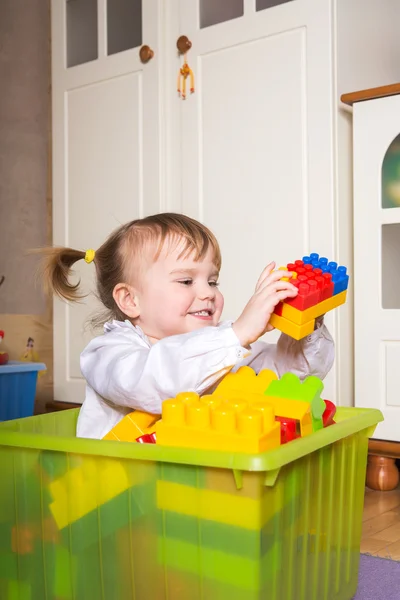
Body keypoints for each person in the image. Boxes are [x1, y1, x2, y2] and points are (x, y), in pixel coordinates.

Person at [41, 213, 334, 439]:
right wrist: (237, 334)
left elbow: (287, 375)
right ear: (130, 300)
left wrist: (306, 324)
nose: (207, 292)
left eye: (213, 280)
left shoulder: (221, 344)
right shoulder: (109, 354)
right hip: (120, 494)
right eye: (186, 281)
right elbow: (154, 381)